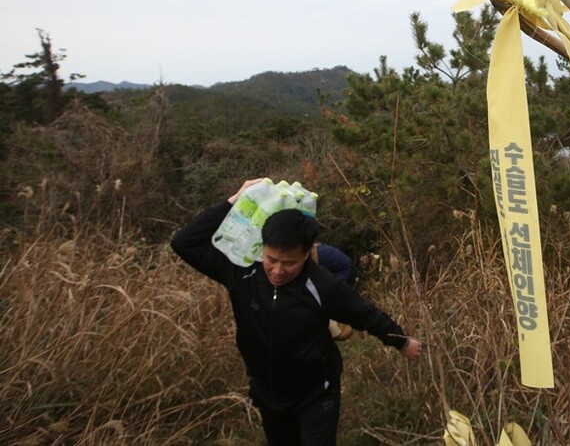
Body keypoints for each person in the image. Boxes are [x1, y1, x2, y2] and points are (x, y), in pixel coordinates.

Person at [171, 178, 422, 446]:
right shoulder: (241, 272)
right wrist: (235, 200)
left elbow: (365, 314)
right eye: (271, 259)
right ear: (261, 249)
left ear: (306, 254)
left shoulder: (321, 284)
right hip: (268, 393)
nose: (278, 271)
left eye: (289, 263)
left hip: (316, 392)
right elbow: (184, 243)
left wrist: (402, 342)